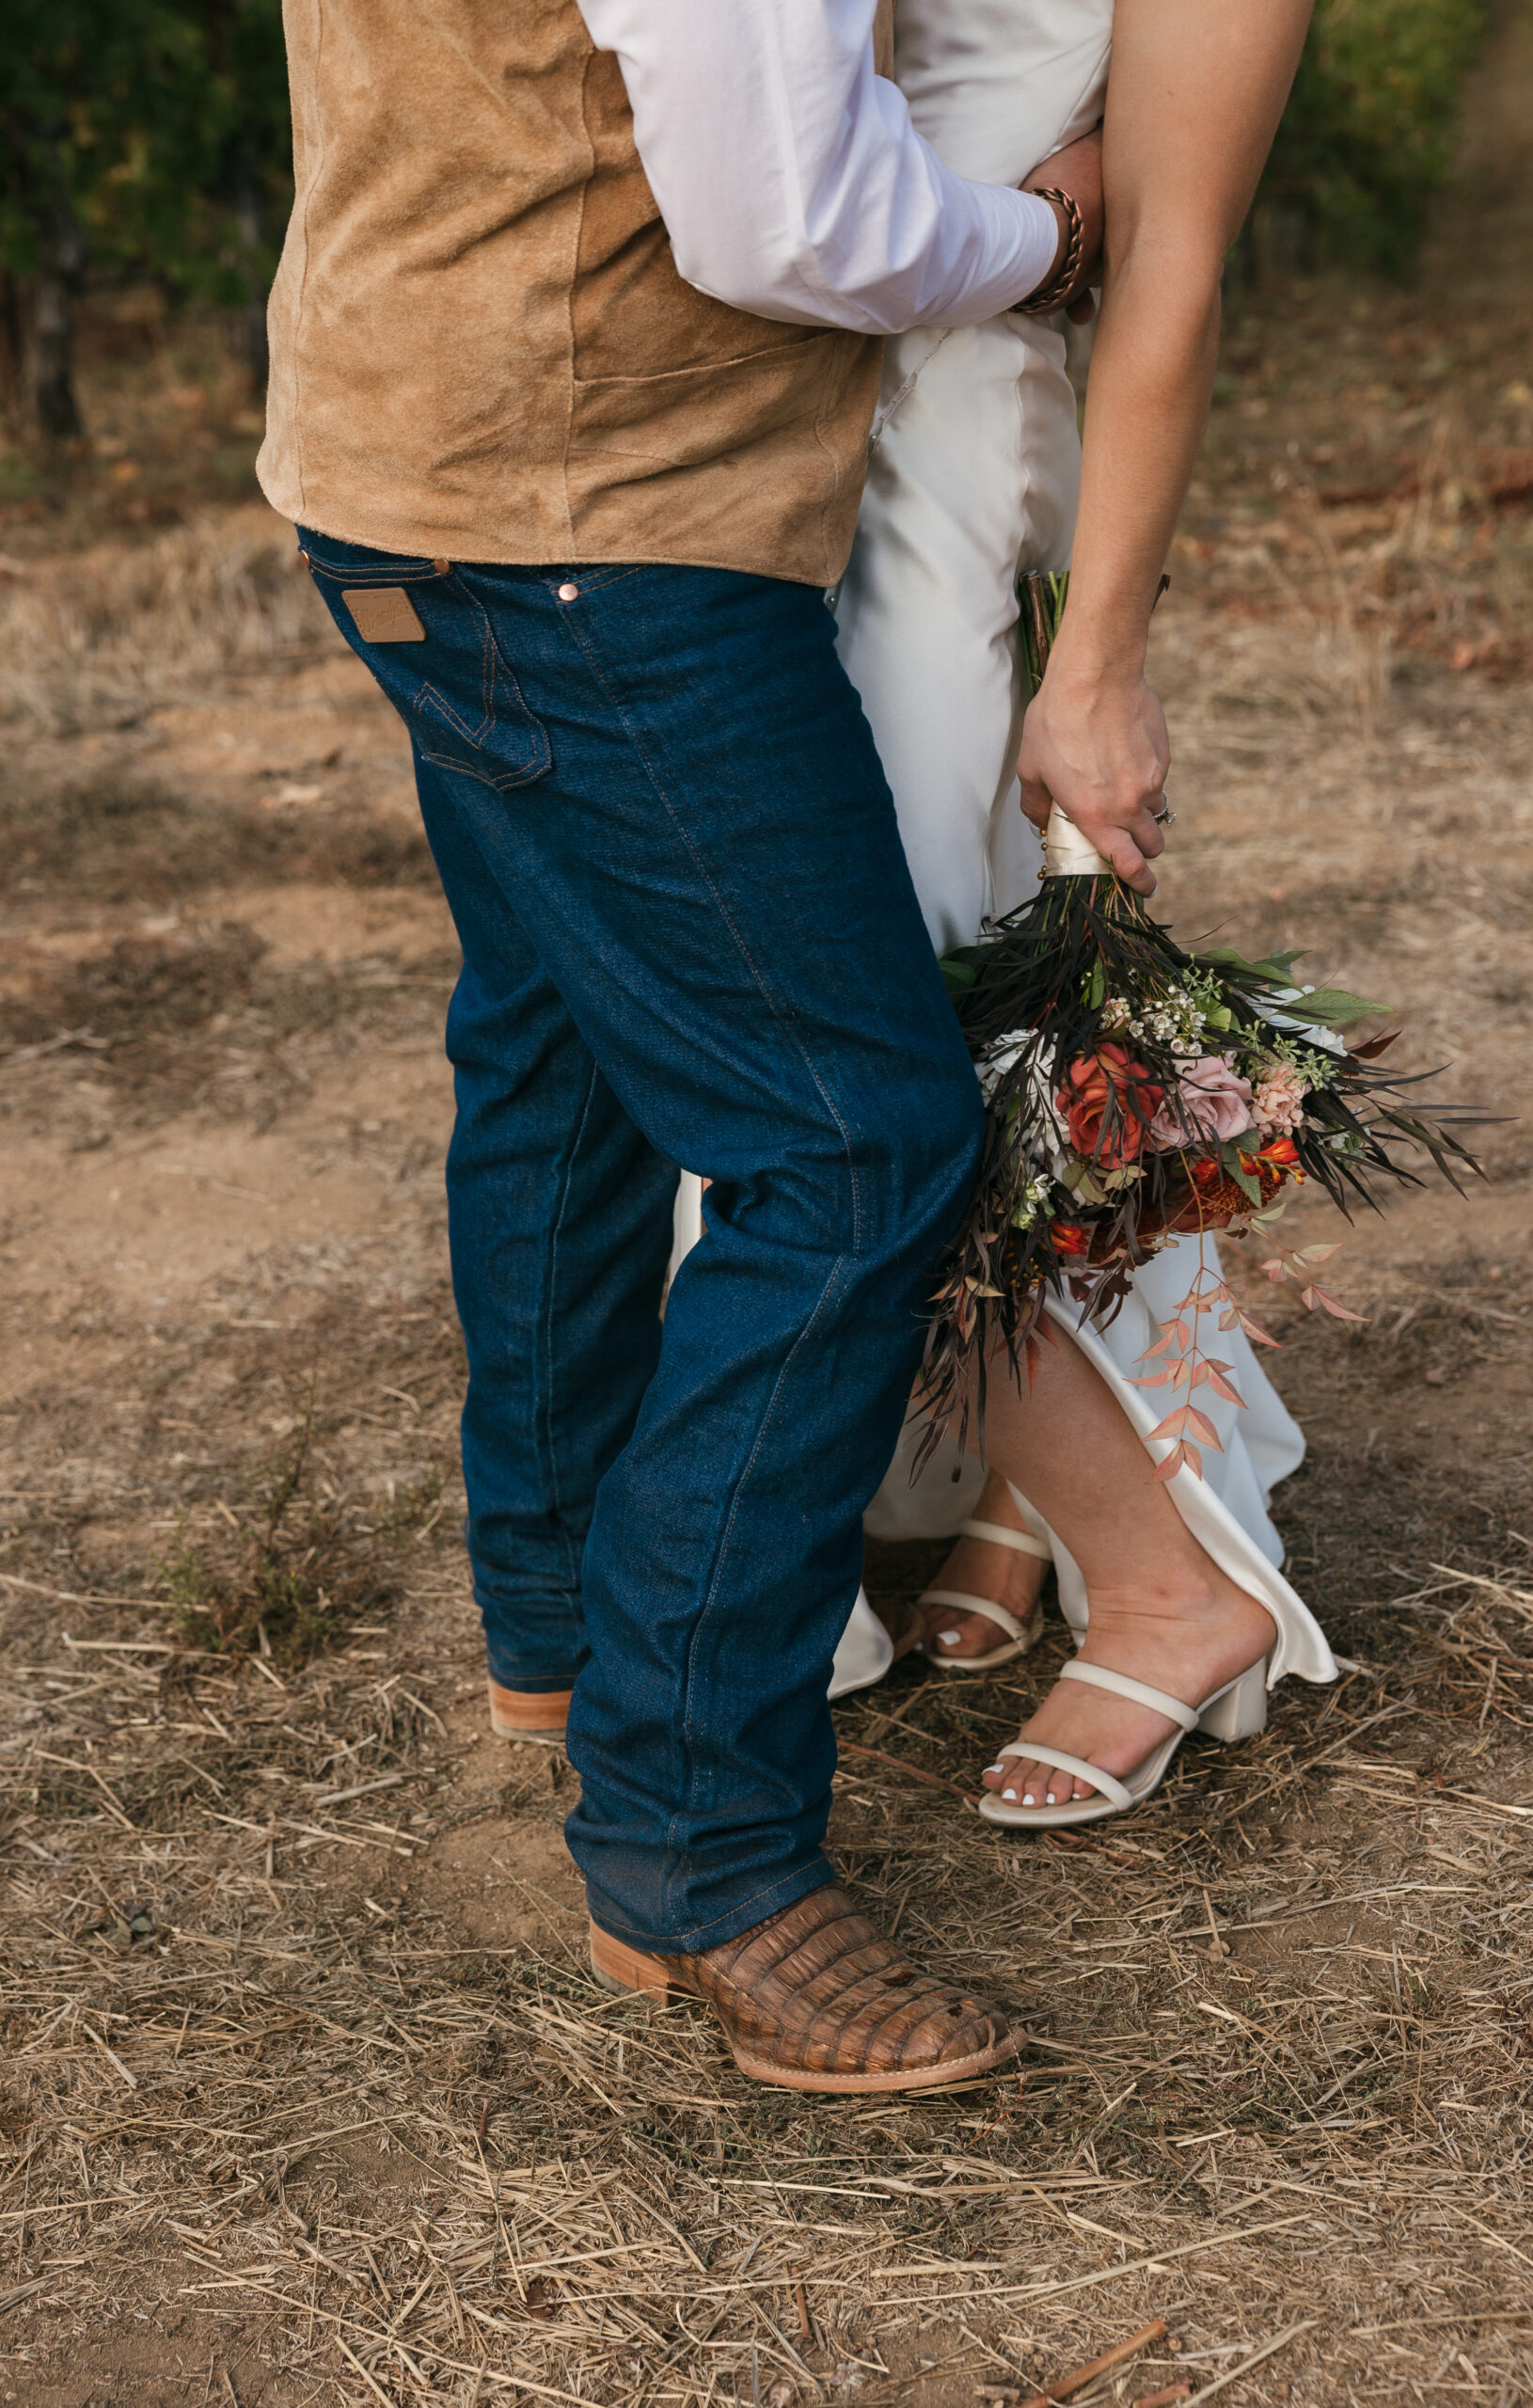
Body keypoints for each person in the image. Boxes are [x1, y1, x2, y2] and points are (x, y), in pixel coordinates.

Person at [258, 0, 1106, 2091]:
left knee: (554, 1047)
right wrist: (1032, 241)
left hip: (403, 452)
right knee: (851, 1143)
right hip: (586, 525)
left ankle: (551, 1631)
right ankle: (698, 1845)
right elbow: (775, 213)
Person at [830, 0, 1339, 1823]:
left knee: (882, 988)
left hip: (958, 451)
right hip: (793, 422)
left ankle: (1149, 1558)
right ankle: (1003, 1480)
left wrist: (1102, 659)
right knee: (915, 952)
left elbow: (1170, 264)